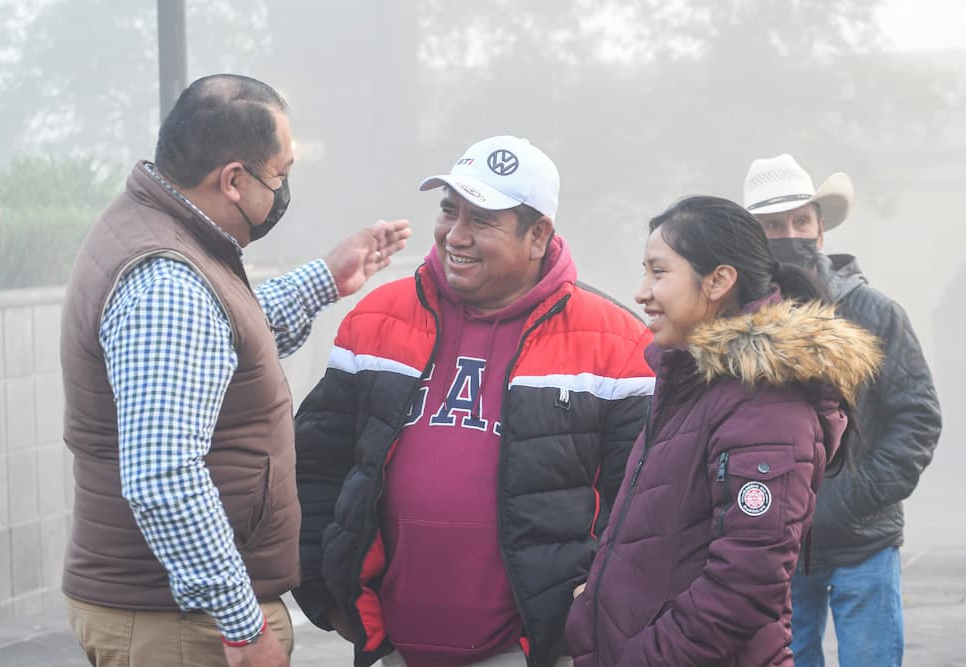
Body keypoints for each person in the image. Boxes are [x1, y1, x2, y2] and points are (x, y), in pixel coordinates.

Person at [59, 74, 411, 667]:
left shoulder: (158, 231)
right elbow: (164, 476)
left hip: (171, 615)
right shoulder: (167, 280)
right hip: (179, 625)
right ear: (234, 179)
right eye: (281, 173)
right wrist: (243, 629)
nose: (284, 188)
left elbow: (216, 339)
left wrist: (326, 278)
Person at [291, 135, 655, 667]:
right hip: (391, 648)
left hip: (530, 652)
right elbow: (316, 471)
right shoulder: (375, 320)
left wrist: (585, 621)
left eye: (482, 220)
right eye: (448, 211)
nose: (455, 235)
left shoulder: (618, 345)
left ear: (538, 235)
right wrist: (330, 598)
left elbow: (642, 513)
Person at [565, 196, 883, 666]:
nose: (641, 292)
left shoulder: (765, 404)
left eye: (659, 272)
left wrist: (646, 656)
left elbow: (746, 583)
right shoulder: (693, 384)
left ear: (718, 281)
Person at [742, 154, 942, 666]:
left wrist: (850, 498)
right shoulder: (738, 327)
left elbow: (917, 418)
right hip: (776, 549)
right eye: (772, 225)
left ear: (820, 229)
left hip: (864, 542)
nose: (790, 234)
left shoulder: (876, 314)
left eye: (800, 221)